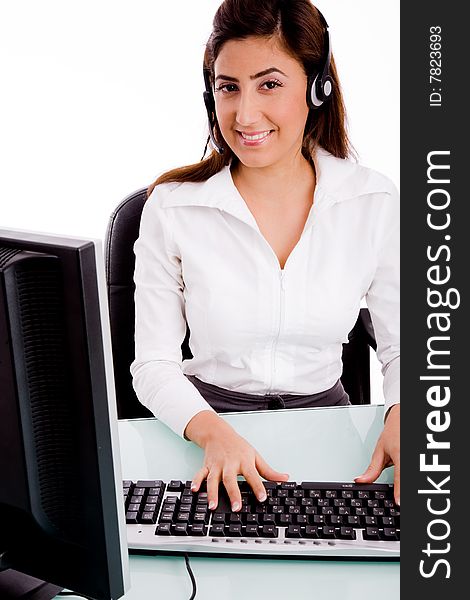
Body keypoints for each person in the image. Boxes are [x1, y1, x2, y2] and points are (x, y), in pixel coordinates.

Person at [131, 0, 400, 513]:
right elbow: (153, 365)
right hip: (204, 424)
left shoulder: (373, 202)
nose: (245, 114)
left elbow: (408, 347)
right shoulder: (173, 207)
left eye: (269, 84)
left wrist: (404, 413)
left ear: (317, 87)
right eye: (228, 87)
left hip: (329, 431)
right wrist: (211, 432)